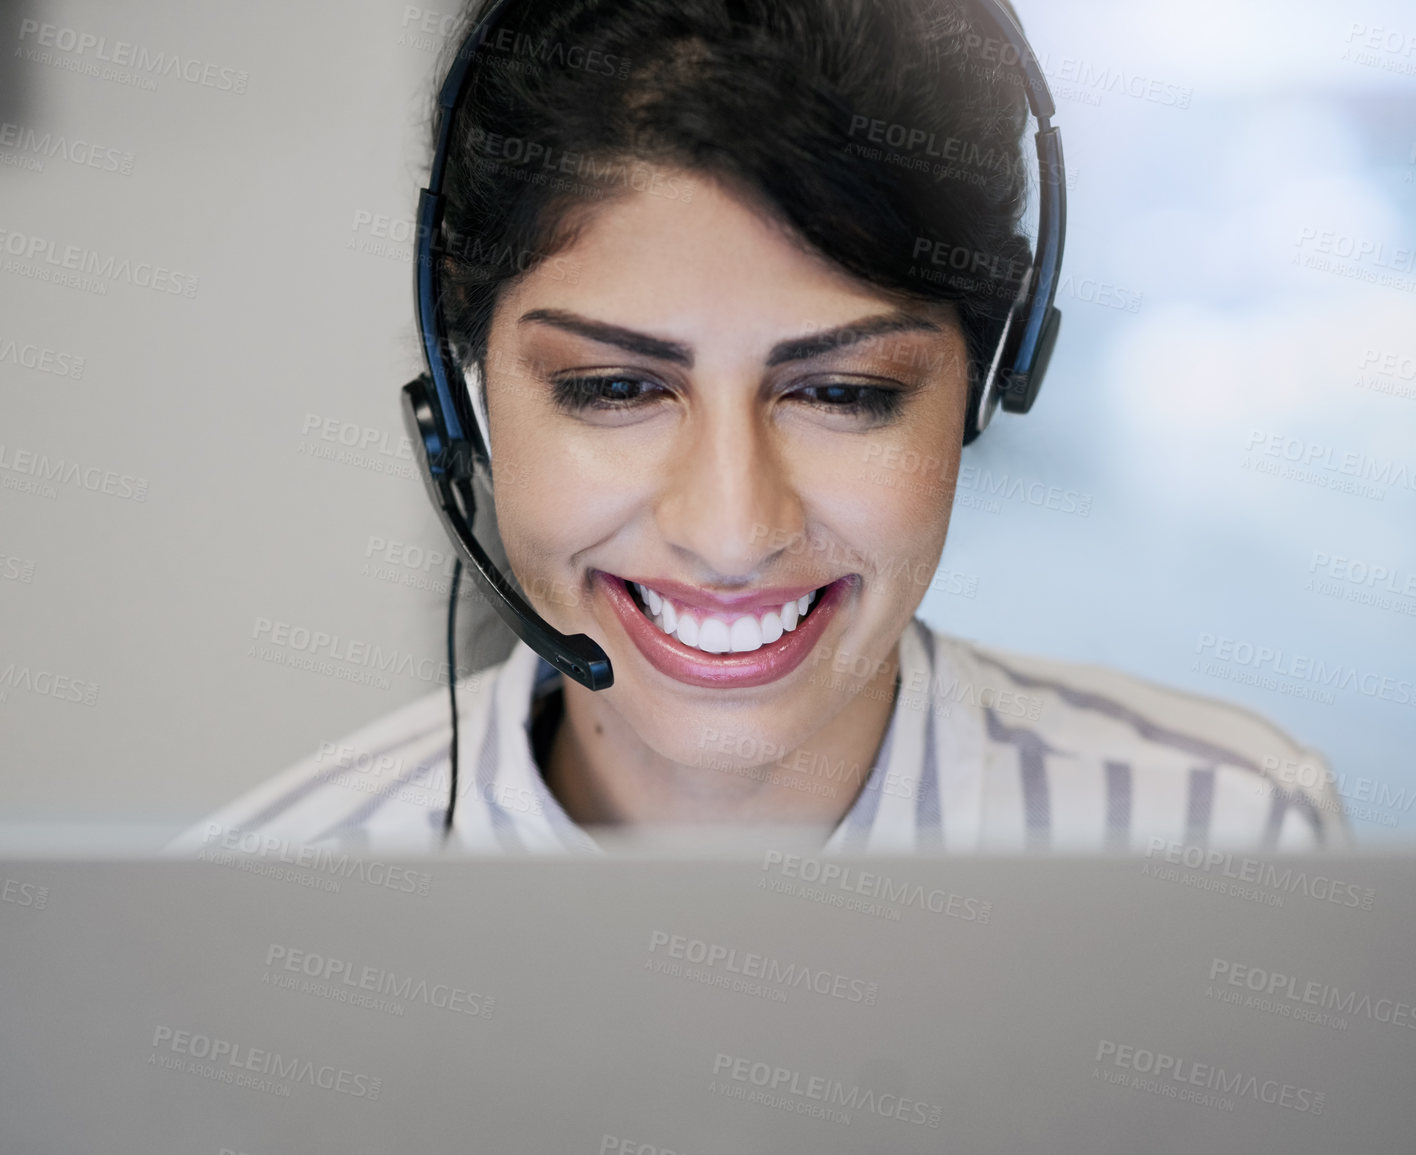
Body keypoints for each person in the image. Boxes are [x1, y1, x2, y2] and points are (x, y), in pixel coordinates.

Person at [174, 0, 1345, 857]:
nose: (733, 532)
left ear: (990, 385)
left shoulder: (1231, 841)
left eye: (842, 393)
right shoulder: (236, 930)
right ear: (465, 393)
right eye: (616, 389)